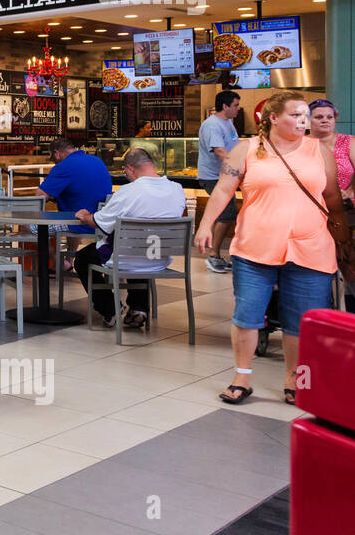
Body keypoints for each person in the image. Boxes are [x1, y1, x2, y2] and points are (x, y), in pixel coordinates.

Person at [196, 91, 339, 406]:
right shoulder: (245, 150)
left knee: (300, 321)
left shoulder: (319, 150)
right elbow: (222, 189)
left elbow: (332, 199)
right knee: (247, 315)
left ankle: (295, 380)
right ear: (273, 118)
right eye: (296, 115)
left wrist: (343, 240)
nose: (304, 121)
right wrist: (206, 225)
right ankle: (241, 377)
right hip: (254, 249)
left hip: (311, 249)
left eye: (306, 115)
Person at [72, 148, 188, 329]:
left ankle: (110, 309)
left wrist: (86, 216)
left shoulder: (128, 191)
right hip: (158, 258)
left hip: (128, 258)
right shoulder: (177, 189)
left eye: (125, 172)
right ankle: (138, 309)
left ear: (130, 168)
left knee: (82, 259)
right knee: (138, 247)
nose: (125, 175)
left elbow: (100, 222)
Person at [197, 89, 241, 273]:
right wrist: (240, 167)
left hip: (226, 175)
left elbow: (234, 147)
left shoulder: (228, 122)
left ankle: (216, 254)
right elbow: (221, 152)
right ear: (225, 106)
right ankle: (213, 255)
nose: (238, 109)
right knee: (227, 213)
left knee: (228, 214)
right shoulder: (212, 125)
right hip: (213, 177)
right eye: (236, 105)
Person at [34, 137, 112, 235]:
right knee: (71, 210)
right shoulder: (97, 160)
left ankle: (49, 250)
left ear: (56, 154)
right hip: (100, 222)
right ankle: (72, 250)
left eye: (52, 158)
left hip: (79, 223)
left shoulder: (63, 166)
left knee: (28, 226)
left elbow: (40, 196)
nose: (53, 162)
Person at [306, 99, 355, 202]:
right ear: (308, 120)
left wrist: (351, 191)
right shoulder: (299, 143)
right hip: (310, 203)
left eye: (330, 117)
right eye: (319, 117)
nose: (325, 120)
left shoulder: (349, 142)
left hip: (344, 205)